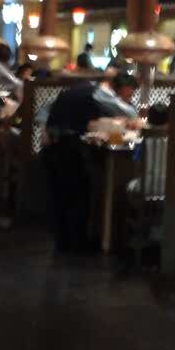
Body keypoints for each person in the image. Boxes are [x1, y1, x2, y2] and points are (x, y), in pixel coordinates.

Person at [43, 72, 140, 251]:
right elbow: (129, 113)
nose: (129, 98)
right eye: (128, 94)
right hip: (68, 146)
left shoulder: (82, 89)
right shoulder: (100, 94)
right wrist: (128, 120)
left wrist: (46, 129)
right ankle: (78, 243)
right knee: (78, 194)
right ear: (117, 88)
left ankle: (63, 241)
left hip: (53, 145)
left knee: (60, 195)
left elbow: (44, 110)